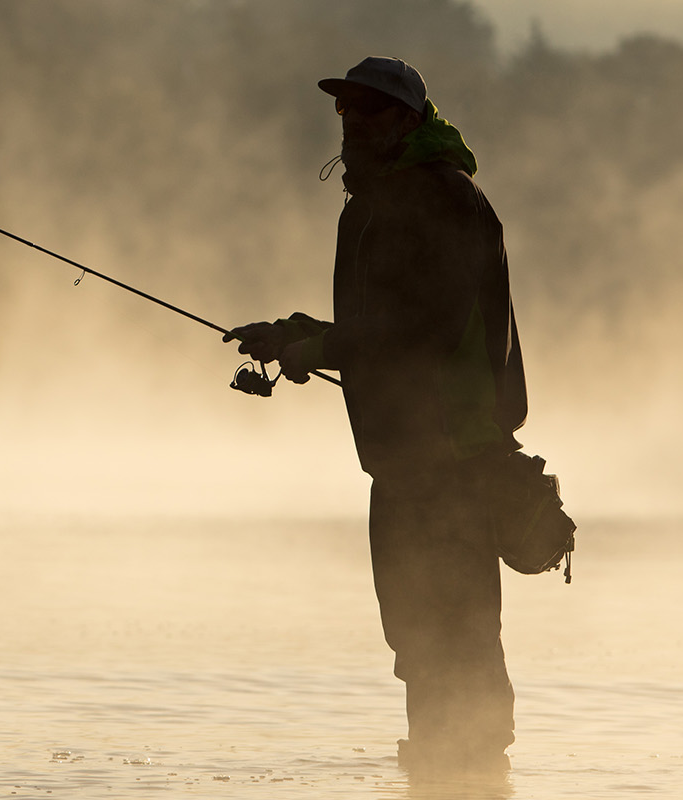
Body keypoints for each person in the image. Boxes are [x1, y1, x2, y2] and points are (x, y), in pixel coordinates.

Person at [226, 56, 529, 773]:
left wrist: (321, 346)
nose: (352, 123)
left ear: (407, 121)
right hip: (401, 455)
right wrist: (293, 334)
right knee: (418, 631)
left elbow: (425, 325)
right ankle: (442, 768)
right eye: (345, 111)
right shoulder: (380, 203)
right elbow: (378, 321)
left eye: (370, 111)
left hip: (452, 452)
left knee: (455, 630)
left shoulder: (445, 199)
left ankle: (472, 768)